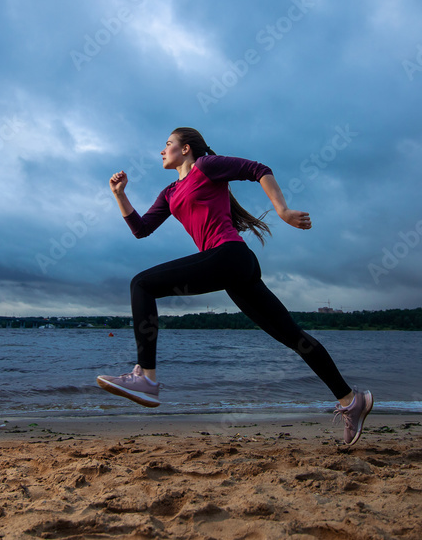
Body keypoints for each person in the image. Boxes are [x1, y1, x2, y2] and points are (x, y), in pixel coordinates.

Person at [95, 127, 372, 445]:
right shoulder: (170, 193)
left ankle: (145, 376)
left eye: (168, 144)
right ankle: (352, 401)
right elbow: (142, 229)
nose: (162, 150)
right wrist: (120, 195)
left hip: (230, 256)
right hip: (233, 268)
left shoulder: (206, 167)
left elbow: (258, 169)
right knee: (294, 337)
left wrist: (282, 210)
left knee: (141, 284)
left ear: (186, 149)